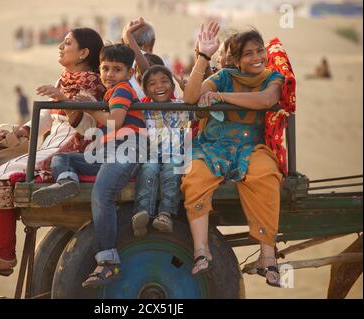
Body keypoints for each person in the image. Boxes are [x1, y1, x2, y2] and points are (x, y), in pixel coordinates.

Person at [0, 27, 106, 281]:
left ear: (84, 52)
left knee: (6, 174)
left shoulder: (94, 84)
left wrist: (64, 101)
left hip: (73, 151)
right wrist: (21, 131)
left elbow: (88, 128)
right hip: (51, 145)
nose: (60, 46)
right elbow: (46, 118)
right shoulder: (65, 80)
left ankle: (4, 255)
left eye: (67, 42)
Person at [31, 44, 145, 288]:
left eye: (117, 69)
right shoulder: (109, 93)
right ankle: (67, 182)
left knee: (102, 195)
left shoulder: (122, 90)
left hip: (127, 149)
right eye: (105, 68)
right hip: (107, 152)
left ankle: (108, 262)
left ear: (130, 73)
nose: (109, 74)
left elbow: (115, 123)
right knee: (63, 159)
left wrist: (87, 107)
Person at [182, 22, 285, 287]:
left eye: (259, 51)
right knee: (195, 175)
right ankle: (201, 251)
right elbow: (191, 97)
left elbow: (266, 100)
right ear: (237, 61)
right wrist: (203, 58)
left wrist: (220, 98)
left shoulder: (273, 78)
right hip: (212, 145)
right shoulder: (224, 76)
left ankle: (267, 256)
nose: (256, 58)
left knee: (265, 175)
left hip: (250, 148)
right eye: (248, 54)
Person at [132, 65, 194, 236]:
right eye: (152, 83)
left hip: (175, 155)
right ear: (145, 91)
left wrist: (187, 89)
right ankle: (143, 213)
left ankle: (165, 214)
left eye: (164, 81)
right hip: (151, 155)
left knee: (173, 169)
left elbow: (200, 111)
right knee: (148, 170)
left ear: (173, 87)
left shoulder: (182, 106)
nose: (159, 86)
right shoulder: (142, 109)